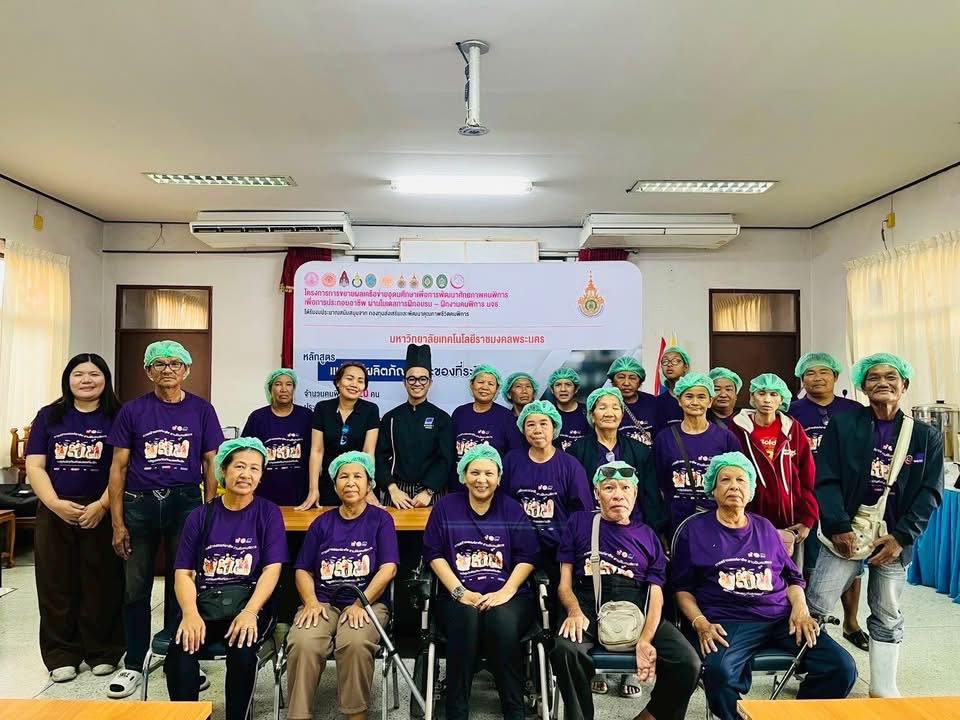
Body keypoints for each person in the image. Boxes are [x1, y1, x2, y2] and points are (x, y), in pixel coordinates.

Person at [673, 452, 857, 720]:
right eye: (725, 480)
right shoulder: (694, 530)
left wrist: (801, 608)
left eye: (741, 480)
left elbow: (792, 578)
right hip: (728, 621)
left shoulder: (765, 528)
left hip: (781, 619)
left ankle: (797, 716)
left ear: (750, 491)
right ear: (713, 488)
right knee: (718, 675)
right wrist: (700, 623)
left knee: (841, 666)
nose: (734, 486)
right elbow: (682, 589)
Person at [806, 353, 943, 697]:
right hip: (845, 533)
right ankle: (814, 674)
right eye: (874, 378)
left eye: (891, 377)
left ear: (904, 385)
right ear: (863, 387)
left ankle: (883, 687)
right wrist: (838, 526)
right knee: (815, 606)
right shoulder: (844, 425)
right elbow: (826, 478)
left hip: (893, 538)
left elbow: (930, 492)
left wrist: (901, 537)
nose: (883, 382)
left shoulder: (925, 436)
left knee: (887, 611)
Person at [106, 340, 224, 698]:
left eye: (175, 363)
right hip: (138, 505)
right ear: (148, 371)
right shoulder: (132, 411)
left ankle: (180, 660)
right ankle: (134, 663)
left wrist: (209, 513)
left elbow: (210, 464)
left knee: (182, 582)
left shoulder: (202, 410)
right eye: (159, 363)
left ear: (186, 370)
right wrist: (117, 523)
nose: (167, 369)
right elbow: (118, 467)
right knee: (135, 587)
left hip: (185, 503)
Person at [550, 461, 701, 719]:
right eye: (609, 488)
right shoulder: (579, 522)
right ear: (597, 494)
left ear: (635, 493)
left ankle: (649, 717)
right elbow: (564, 584)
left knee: (688, 663)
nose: (618, 495)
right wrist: (573, 611)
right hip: (587, 602)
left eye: (625, 488)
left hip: (636, 604)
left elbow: (655, 595)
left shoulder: (648, 536)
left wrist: (645, 639)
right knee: (566, 650)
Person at [165, 438, 287, 720]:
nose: (246, 474)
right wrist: (190, 614)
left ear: (261, 475)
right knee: (181, 649)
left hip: (249, 603)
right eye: (239, 466)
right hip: (205, 604)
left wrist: (250, 612)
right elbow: (184, 573)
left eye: (254, 469)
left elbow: (272, 570)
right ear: (223, 470)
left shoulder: (267, 513)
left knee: (243, 649)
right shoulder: (200, 516)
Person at [25, 353, 125, 683]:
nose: (86, 380)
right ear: (67, 379)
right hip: (55, 511)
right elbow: (35, 465)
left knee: (103, 583)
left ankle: (104, 651)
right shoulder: (49, 416)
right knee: (55, 584)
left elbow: (124, 467)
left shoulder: (118, 416)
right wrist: (55, 503)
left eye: (94, 374)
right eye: (78, 374)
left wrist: (102, 505)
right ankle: (61, 654)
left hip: (102, 510)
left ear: (105, 379)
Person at [422, 445, 540, 720]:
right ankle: (456, 712)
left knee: (500, 620)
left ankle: (514, 711)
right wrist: (460, 591)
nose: (481, 479)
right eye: (474, 472)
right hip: (456, 596)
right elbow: (433, 554)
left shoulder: (511, 509)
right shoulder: (445, 508)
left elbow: (528, 555)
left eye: (489, 473)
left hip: (509, 597)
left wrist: (506, 592)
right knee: (466, 618)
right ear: (463, 475)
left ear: (499, 477)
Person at [286, 451, 399, 720]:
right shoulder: (321, 522)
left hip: (367, 602)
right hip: (323, 602)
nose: (350, 482)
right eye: (343, 477)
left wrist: (361, 603)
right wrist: (311, 602)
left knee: (355, 642)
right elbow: (303, 569)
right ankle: (299, 715)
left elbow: (389, 569)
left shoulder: (381, 520)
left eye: (358, 476)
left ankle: (355, 715)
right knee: (303, 641)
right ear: (335, 485)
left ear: (369, 484)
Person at [789, 352, 866, 648]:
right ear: (801, 379)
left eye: (824, 372)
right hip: (807, 495)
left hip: (847, 497)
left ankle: (851, 622)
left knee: (852, 558)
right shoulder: (792, 411)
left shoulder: (854, 410)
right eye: (810, 373)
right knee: (810, 561)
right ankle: (812, 622)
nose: (817, 378)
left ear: (835, 376)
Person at [501, 400, 592, 595]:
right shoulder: (511, 461)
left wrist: (571, 549)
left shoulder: (570, 466)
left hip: (558, 551)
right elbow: (502, 504)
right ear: (523, 429)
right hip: (518, 549)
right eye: (530, 424)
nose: (537, 430)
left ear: (554, 427)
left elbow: (582, 513)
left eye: (543, 423)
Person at [729, 373, 817, 563]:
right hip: (747, 520)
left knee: (789, 574)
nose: (767, 399)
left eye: (774, 394)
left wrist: (808, 519)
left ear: (782, 399)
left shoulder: (793, 429)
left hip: (790, 523)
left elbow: (807, 477)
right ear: (752, 397)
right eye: (761, 393)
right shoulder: (737, 429)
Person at [567, 388, 666, 534]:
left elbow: (651, 497)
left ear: (622, 415)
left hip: (633, 529)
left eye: (615, 408)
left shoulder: (640, 451)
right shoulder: (576, 452)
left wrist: (652, 533)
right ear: (592, 415)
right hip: (592, 529)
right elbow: (574, 498)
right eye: (602, 408)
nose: (609, 413)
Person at [652, 373, 740, 535]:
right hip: (677, 523)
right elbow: (659, 485)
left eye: (701, 397)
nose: (695, 402)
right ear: (679, 400)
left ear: (710, 401)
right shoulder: (664, 439)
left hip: (718, 522)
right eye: (689, 396)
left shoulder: (726, 438)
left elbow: (738, 482)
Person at [308, 362, 380, 508]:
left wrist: (368, 488)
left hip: (359, 483)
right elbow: (317, 451)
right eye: (349, 378)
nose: (354, 384)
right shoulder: (322, 408)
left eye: (360, 381)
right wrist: (313, 489)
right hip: (329, 482)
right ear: (338, 382)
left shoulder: (371, 410)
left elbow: (368, 452)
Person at [241, 369, 314, 506]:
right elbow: (245, 454)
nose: (284, 389)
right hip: (264, 494)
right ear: (270, 389)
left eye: (289, 384)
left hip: (301, 495)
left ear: (294, 388)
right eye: (278, 384)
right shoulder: (258, 418)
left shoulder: (307, 416)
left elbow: (316, 451)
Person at [451, 364, 519, 489]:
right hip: (459, 487)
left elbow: (514, 455)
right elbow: (449, 451)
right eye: (480, 382)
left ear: (497, 389)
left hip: (492, 489)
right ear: (472, 385)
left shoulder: (506, 417)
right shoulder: (459, 413)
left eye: (491, 384)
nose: (485, 387)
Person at [606, 356, 657, 446]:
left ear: (640, 381)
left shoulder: (653, 403)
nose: (626, 383)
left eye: (632, 378)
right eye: (621, 377)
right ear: (613, 381)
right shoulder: (606, 406)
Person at [548, 367, 591, 451]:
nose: (563, 389)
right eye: (558, 385)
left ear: (576, 389)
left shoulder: (587, 413)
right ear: (552, 390)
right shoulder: (547, 414)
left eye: (568, 384)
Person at [653, 346, 691, 433]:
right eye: (665, 361)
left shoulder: (696, 397)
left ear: (685, 367)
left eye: (675, 361)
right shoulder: (657, 402)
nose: (669, 364)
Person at [502, 371, 539, 449]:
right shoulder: (504, 420)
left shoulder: (542, 419)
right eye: (518, 386)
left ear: (533, 393)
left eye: (528, 386)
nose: (524, 391)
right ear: (509, 394)